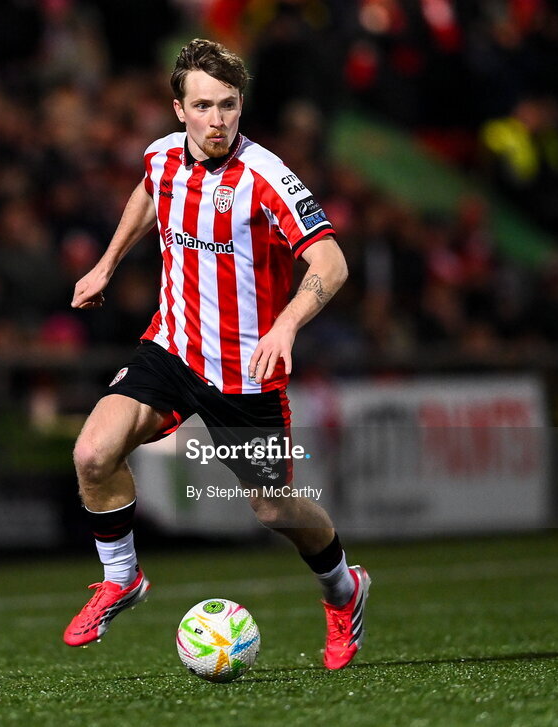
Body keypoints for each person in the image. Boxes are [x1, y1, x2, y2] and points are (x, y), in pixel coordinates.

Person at [63, 38, 369, 670]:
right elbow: (150, 193)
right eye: (203, 106)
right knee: (93, 452)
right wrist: (106, 264)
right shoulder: (162, 157)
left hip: (244, 373)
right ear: (179, 109)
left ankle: (344, 589)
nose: (217, 120)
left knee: (272, 506)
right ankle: (121, 578)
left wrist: (285, 327)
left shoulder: (266, 176)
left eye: (228, 105)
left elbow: (331, 261)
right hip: (172, 347)